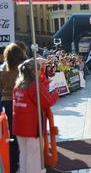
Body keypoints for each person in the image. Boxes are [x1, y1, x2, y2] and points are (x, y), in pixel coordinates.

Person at [12, 59, 59, 173]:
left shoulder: (18, 85)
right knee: (34, 156)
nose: (41, 71)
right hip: (32, 127)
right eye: (39, 69)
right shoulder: (34, 85)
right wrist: (56, 94)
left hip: (19, 126)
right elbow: (46, 102)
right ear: (34, 71)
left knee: (24, 154)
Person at [0, 43, 26, 172]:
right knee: (20, 134)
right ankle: (21, 161)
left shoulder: (2, 69)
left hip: (6, 104)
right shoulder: (22, 68)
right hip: (20, 103)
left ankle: (12, 164)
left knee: (9, 135)